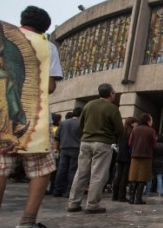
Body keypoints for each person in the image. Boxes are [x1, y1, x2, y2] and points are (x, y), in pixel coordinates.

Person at [0, 6, 63, 228]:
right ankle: (27, 223)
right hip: (33, 122)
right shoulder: (47, 46)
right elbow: (49, 87)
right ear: (45, 28)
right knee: (41, 170)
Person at [67, 83, 123, 214]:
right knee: (98, 174)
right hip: (103, 143)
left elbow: (81, 124)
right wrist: (112, 137)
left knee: (81, 173)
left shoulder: (89, 105)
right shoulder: (112, 108)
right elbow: (119, 129)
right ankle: (92, 204)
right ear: (111, 94)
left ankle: (73, 203)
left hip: (86, 142)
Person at [52, 107, 82, 197]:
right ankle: (69, 191)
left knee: (61, 170)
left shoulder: (63, 123)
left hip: (64, 149)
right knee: (72, 171)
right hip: (76, 149)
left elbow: (57, 137)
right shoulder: (81, 123)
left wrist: (56, 149)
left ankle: (57, 190)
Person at [127, 113, 156, 205]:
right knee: (142, 178)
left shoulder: (135, 129)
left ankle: (131, 198)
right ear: (148, 121)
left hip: (135, 156)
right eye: (151, 120)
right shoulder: (151, 131)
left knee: (133, 177)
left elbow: (130, 142)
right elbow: (154, 144)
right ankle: (138, 198)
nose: (152, 122)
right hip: (146, 156)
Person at [111, 117, 136, 202]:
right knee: (124, 177)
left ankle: (115, 196)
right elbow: (131, 144)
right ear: (132, 123)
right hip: (127, 156)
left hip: (119, 155)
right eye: (135, 123)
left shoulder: (121, 131)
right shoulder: (132, 132)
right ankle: (121, 196)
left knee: (118, 176)